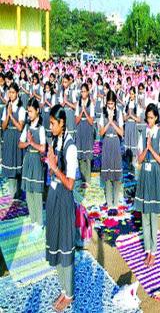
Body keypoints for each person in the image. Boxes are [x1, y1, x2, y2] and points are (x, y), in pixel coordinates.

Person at [45, 104, 78, 311]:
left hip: (64, 199)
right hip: (54, 196)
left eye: (53, 123)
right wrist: (51, 161)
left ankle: (70, 294)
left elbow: (70, 183)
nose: (50, 127)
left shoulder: (71, 147)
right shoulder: (56, 141)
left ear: (62, 123)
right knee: (55, 242)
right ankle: (64, 290)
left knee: (65, 246)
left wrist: (55, 167)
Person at [135, 103, 160, 267]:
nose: (149, 120)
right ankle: (147, 249)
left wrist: (150, 148)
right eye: (148, 117)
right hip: (144, 175)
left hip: (154, 174)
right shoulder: (143, 133)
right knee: (144, 215)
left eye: (152, 117)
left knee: (153, 216)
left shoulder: (159, 134)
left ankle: (154, 251)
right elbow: (139, 160)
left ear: (156, 118)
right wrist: (145, 148)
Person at [18, 97, 46, 238]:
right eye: (27, 111)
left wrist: (32, 142)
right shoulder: (27, 127)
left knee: (37, 192)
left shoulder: (41, 129)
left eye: (30, 111)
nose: (28, 114)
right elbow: (20, 144)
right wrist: (28, 143)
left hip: (36, 160)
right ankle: (34, 220)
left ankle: (40, 223)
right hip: (28, 159)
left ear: (37, 111)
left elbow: (43, 148)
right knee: (29, 191)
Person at [99, 91, 124, 208]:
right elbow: (100, 132)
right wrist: (108, 121)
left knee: (116, 172)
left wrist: (112, 123)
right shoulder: (103, 113)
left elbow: (121, 132)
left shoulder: (119, 112)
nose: (110, 106)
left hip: (115, 142)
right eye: (108, 103)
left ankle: (115, 201)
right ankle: (109, 202)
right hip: (107, 143)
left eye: (112, 103)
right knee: (108, 173)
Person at [1, 82, 25, 198]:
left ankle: (18, 191)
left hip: (17, 137)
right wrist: (7, 115)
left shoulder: (21, 108)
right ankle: (12, 193)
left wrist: (10, 115)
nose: (10, 95)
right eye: (9, 92)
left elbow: (20, 127)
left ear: (17, 93)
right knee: (10, 162)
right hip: (8, 136)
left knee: (17, 162)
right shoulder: (6, 107)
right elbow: (3, 126)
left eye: (13, 92)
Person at [75, 83, 94, 184]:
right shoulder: (78, 103)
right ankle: (82, 177)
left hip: (87, 128)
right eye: (81, 91)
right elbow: (76, 121)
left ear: (88, 92)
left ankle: (88, 178)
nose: (83, 93)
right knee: (80, 154)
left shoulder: (90, 104)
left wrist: (84, 112)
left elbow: (91, 121)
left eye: (84, 91)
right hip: (80, 129)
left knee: (87, 155)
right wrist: (81, 112)